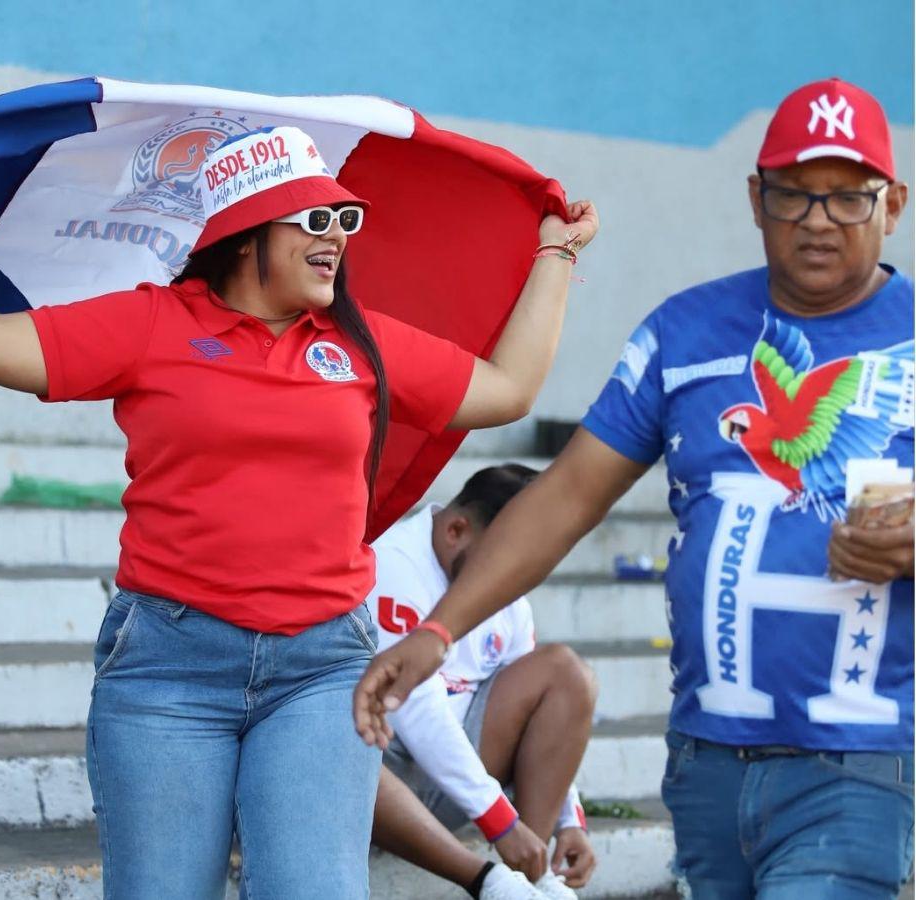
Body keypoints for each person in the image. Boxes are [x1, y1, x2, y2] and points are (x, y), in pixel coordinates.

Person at [0, 121, 598, 900]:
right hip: (168, 669)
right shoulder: (151, 323)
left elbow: (507, 389)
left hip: (322, 668)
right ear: (244, 235)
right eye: (314, 219)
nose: (336, 237)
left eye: (346, 219)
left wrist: (557, 253)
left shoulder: (360, 341)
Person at [354, 77, 913, 899]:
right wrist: (440, 632)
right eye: (795, 195)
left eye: (847, 199)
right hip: (707, 761)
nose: (819, 220)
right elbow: (568, 495)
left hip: (856, 758)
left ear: (891, 204)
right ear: (757, 200)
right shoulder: (683, 332)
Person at [367, 464, 597, 900]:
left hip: (457, 782)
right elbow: (415, 711)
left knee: (566, 673)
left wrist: (570, 820)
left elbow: (537, 710)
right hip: (381, 782)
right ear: (456, 530)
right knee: (341, 744)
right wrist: (501, 822)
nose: (515, 575)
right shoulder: (393, 564)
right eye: (507, 557)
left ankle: (533, 876)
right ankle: (489, 881)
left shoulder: (506, 587)